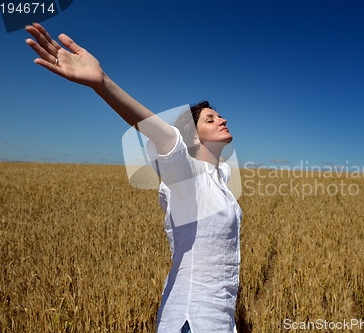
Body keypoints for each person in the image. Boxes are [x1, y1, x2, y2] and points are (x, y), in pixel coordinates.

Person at [25, 22, 242, 333]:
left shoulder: (220, 176)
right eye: (210, 118)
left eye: (219, 115)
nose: (222, 119)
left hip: (222, 323)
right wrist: (103, 84)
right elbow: (166, 137)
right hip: (191, 322)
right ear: (193, 138)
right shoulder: (186, 175)